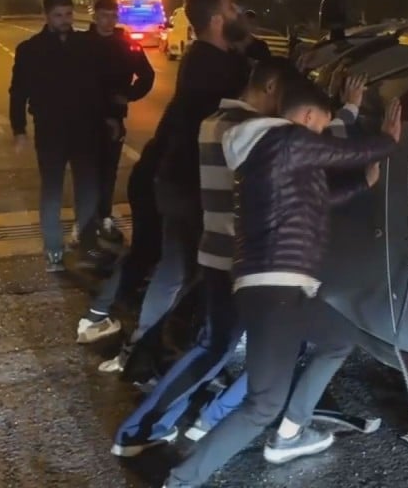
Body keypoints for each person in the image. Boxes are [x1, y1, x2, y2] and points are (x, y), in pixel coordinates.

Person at [164, 80, 400, 487]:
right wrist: (389, 141)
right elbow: (345, 153)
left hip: (279, 289)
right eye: (323, 126)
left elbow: (313, 200)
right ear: (308, 117)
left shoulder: (269, 154)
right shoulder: (285, 139)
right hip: (276, 289)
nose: (322, 135)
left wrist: (363, 183)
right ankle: (183, 479)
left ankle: (292, 430)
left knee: (339, 339)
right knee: (261, 405)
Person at [111, 58, 302, 456]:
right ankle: (183, 422)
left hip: (216, 251)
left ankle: (155, 425)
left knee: (214, 345)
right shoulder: (250, 130)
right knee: (264, 344)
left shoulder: (214, 120)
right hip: (243, 259)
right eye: (286, 97)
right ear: (270, 88)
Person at [102, 0, 251, 376]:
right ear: (217, 19)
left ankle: (146, 347)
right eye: (232, 6)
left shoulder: (207, 58)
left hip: (180, 180)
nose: (240, 12)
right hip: (189, 184)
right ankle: (151, 350)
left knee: (180, 269)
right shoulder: (212, 66)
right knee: (184, 270)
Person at [9, 0, 103, 273]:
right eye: (58, 15)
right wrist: (19, 129)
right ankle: (53, 250)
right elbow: (18, 92)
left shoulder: (85, 45)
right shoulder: (30, 49)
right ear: (47, 16)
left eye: (68, 14)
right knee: (51, 191)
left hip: (84, 129)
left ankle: (87, 245)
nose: (65, 20)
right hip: (50, 131)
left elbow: (96, 86)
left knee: (87, 189)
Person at [79, 137, 164, 346]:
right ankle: (142, 344)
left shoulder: (189, 110)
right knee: (164, 258)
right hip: (165, 182)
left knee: (145, 253)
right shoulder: (217, 116)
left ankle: (100, 314)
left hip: (150, 176)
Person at [88, 0, 156, 247]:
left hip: (114, 118)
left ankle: (103, 216)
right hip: (84, 118)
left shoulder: (124, 44)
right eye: (104, 15)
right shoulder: (82, 44)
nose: (109, 21)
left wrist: (128, 95)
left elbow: (147, 75)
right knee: (87, 172)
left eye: (113, 16)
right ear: (94, 16)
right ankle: (87, 221)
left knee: (107, 171)